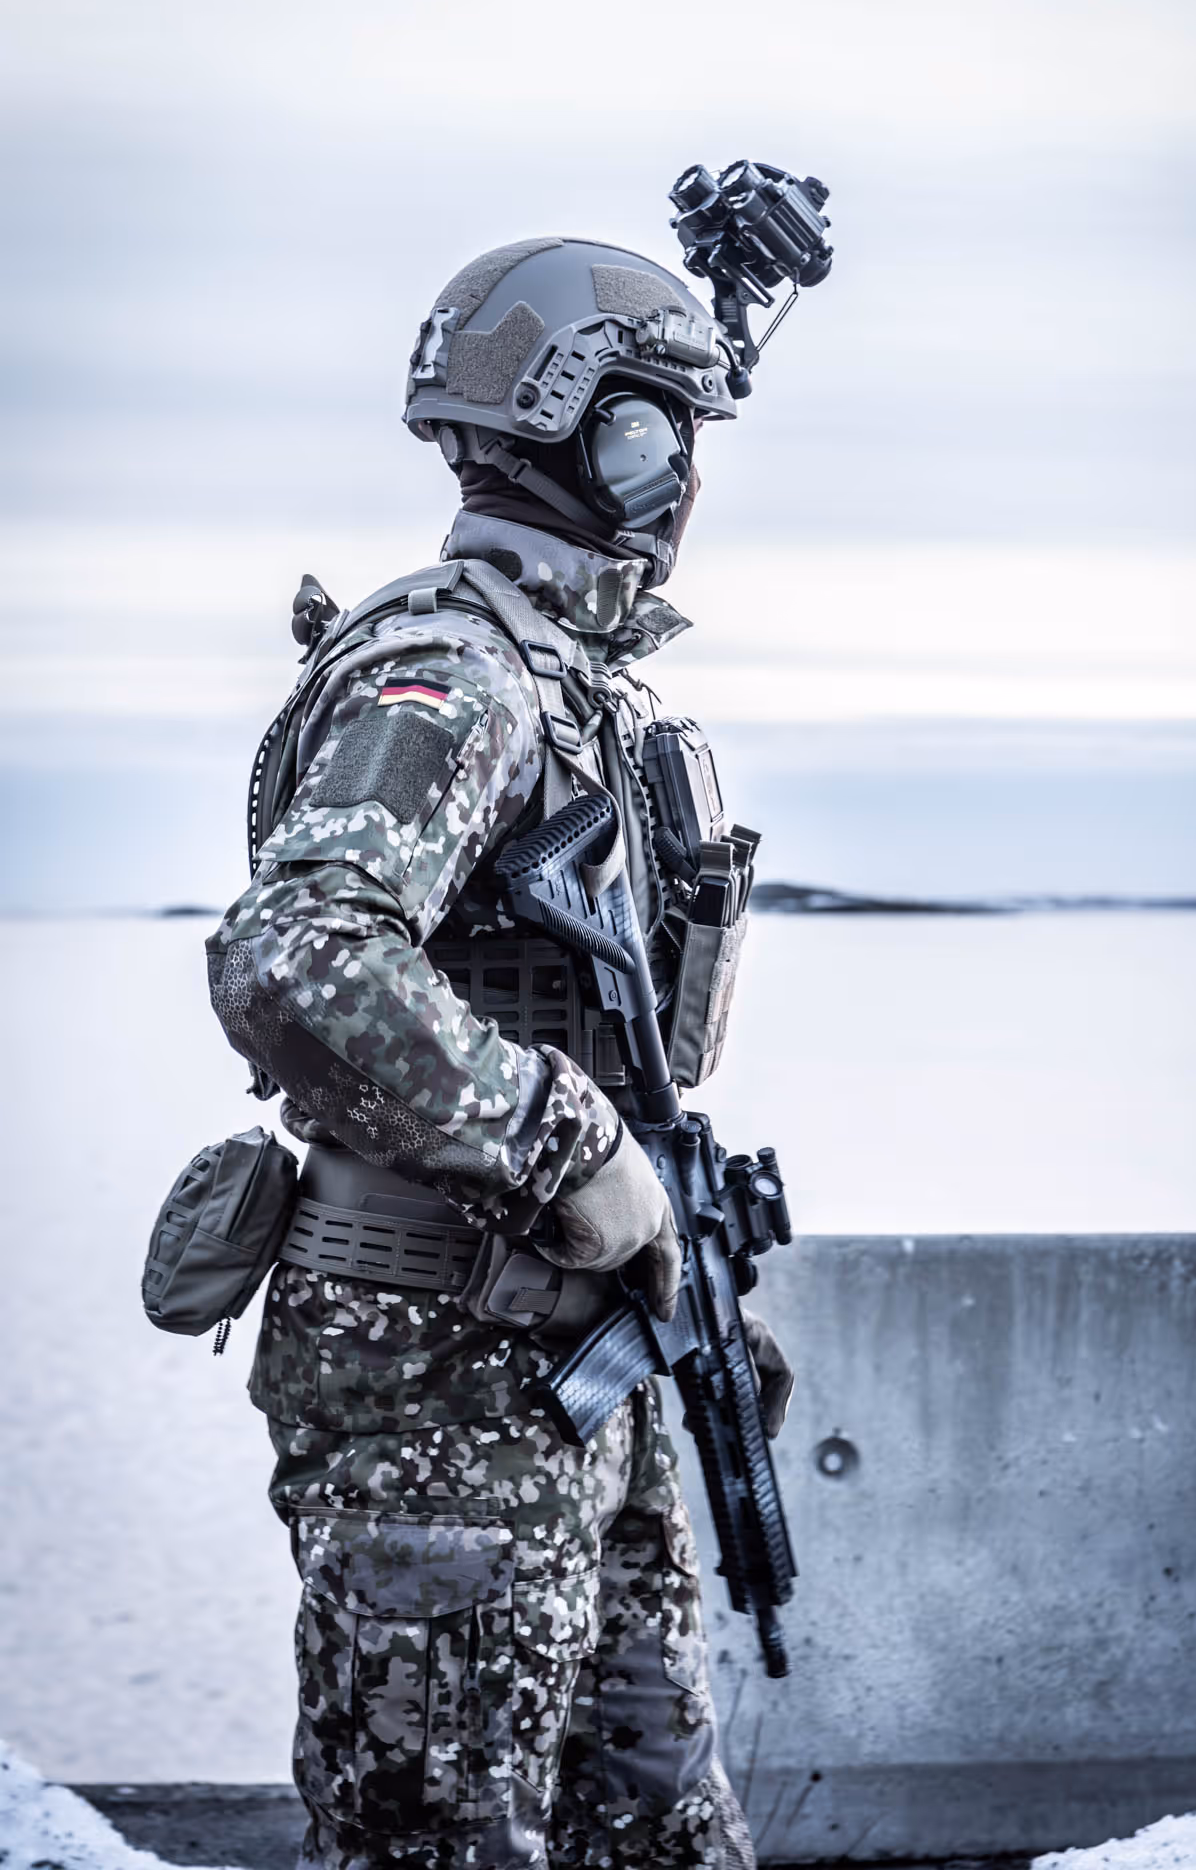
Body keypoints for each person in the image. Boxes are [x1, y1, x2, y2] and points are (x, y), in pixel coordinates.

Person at [207, 233, 794, 1870]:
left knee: (662, 1835)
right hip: (436, 1387)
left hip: (560, 1370)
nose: (682, 477)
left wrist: (673, 1258)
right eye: (664, 430)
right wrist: (571, 1147)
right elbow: (297, 955)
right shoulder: (449, 669)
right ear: (601, 438)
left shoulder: (566, 674)